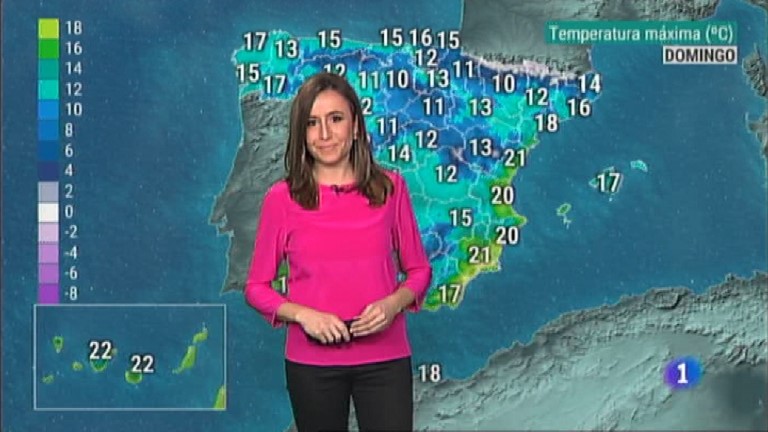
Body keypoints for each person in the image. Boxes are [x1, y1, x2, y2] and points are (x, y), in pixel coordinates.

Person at [245, 71, 432, 432]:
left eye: (335, 119)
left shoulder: (391, 188)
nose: (325, 134)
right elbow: (256, 287)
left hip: (386, 361)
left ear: (356, 126)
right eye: (312, 123)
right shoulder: (281, 200)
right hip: (312, 367)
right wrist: (303, 315)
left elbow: (419, 271)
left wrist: (392, 304)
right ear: (302, 133)